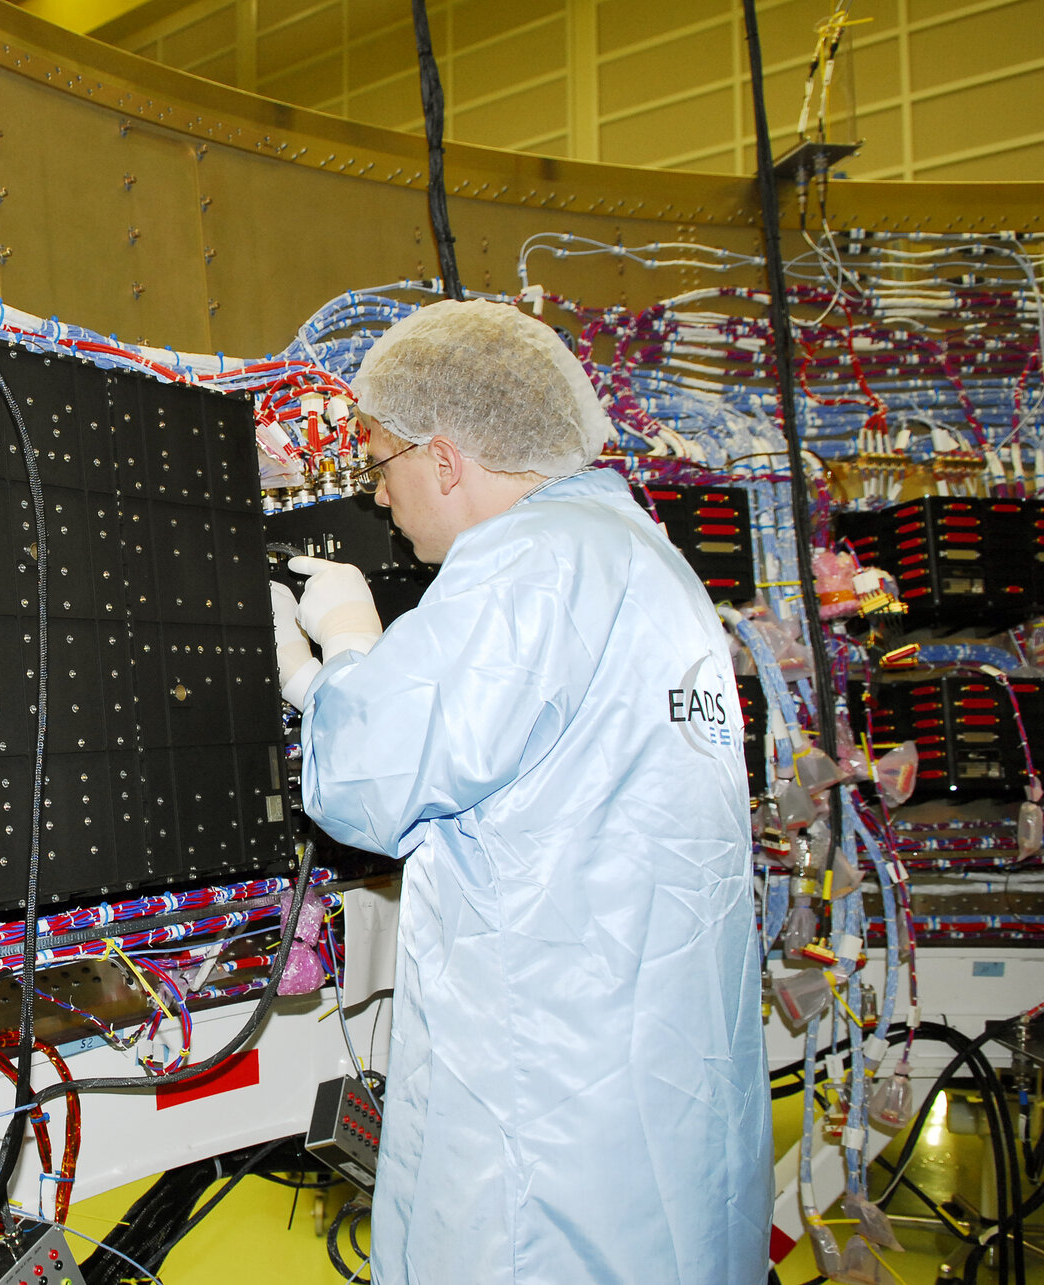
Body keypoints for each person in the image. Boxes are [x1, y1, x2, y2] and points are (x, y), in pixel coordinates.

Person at [273, 300, 771, 1284]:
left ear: (446, 458)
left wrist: (347, 650)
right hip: (660, 1125)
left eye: (380, 466)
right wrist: (322, 682)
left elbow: (371, 788)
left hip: (552, 1150)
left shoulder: (526, 564)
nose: (379, 500)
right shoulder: (648, 565)